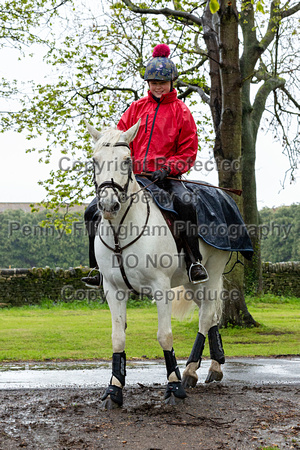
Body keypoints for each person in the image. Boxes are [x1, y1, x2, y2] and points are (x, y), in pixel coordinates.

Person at [82, 43, 208, 287]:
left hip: (166, 178)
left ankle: (194, 262)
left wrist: (168, 168)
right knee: (91, 211)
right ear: (148, 83)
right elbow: (118, 141)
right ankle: (97, 268)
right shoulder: (136, 108)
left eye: (162, 82)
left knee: (185, 203)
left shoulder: (182, 112)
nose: (157, 86)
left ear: (172, 82)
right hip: (133, 178)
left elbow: (188, 152)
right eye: (153, 82)